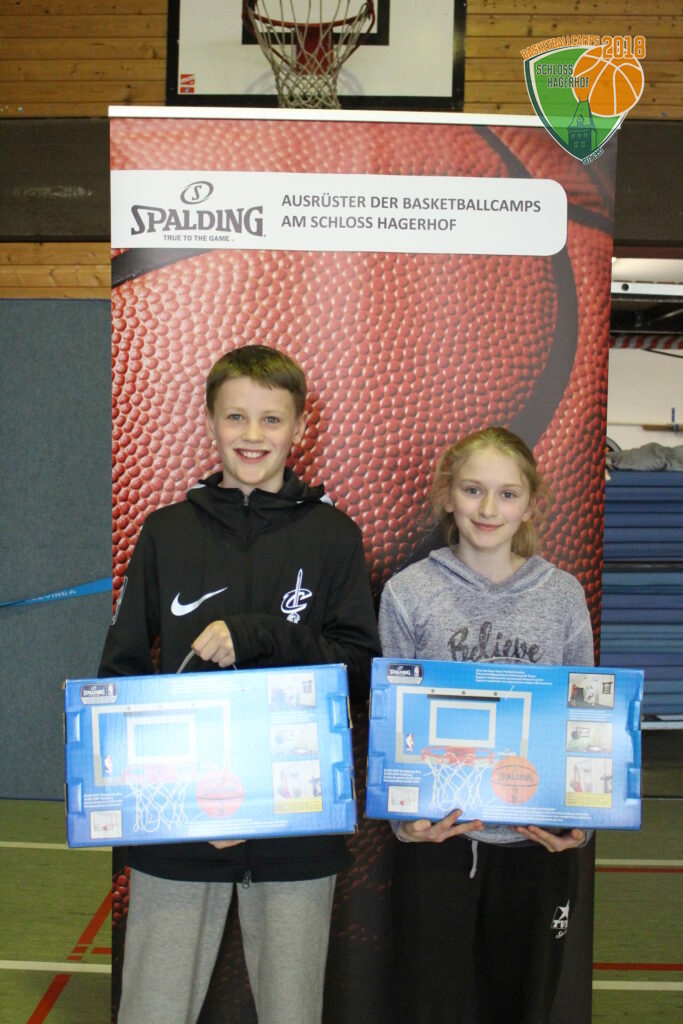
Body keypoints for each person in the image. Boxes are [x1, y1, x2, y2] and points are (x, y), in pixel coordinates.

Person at [99, 344, 380, 1024]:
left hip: (295, 823)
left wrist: (258, 633)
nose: (253, 435)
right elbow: (122, 674)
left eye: (271, 419)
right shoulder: (165, 532)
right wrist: (159, 796)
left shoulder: (334, 536)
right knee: (152, 1008)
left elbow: (358, 670)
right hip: (177, 824)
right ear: (209, 422)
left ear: (300, 428)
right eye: (236, 417)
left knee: (292, 1010)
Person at [378, 427, 595, 1024]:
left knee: (523, 1006)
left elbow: (585, 722)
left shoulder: (562, 596)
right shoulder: (408, 593)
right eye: (473, 490)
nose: (488, 508)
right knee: (430, 1006)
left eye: (507, 493)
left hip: (534, 844)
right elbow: (395, 724)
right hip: (441, 845)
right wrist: (405, 823)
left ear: (530, 503)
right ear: (448, 495)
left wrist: (580, 824)